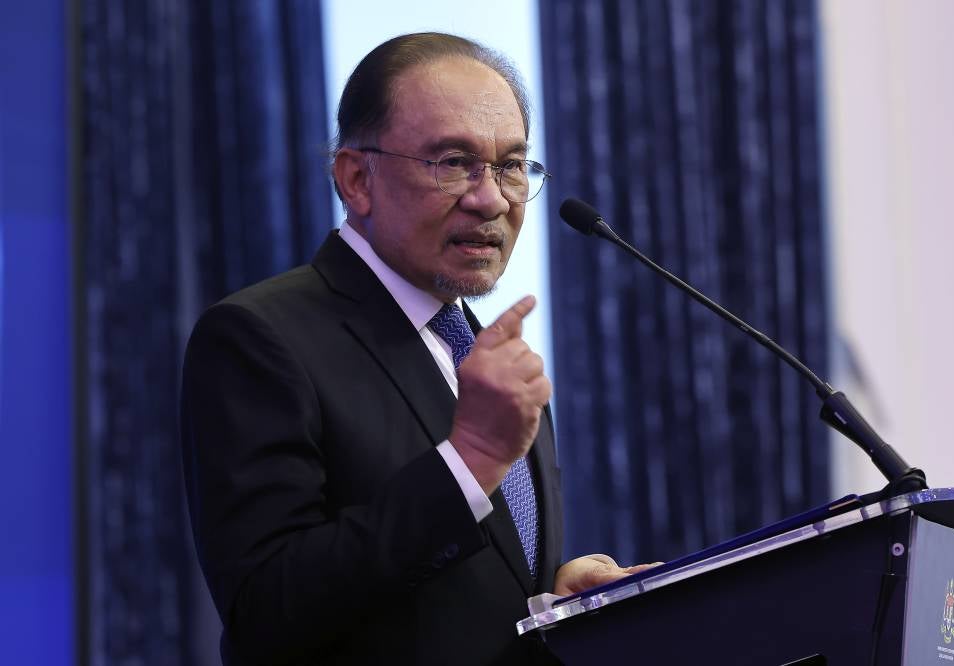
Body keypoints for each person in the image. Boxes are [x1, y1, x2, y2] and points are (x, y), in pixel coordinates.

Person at [181, 32, 645, 666]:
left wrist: (550, 601)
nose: (491, 199)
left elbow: (446, 587)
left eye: (511, 165)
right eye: (452, 162)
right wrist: (471, 459)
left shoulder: (479, 349)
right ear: (356, 178)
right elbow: (267, 608)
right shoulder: (259, 338)